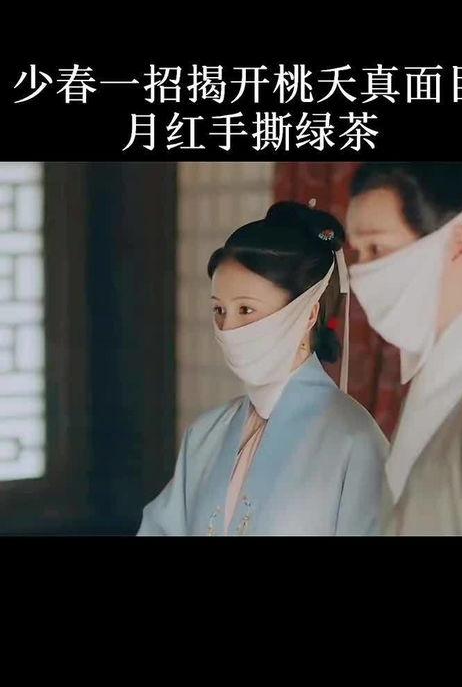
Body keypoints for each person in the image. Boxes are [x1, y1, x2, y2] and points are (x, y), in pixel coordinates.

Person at [138, 200, 388, 536]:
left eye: (246, 309)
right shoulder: (206, 434)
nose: (228, 328)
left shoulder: (354, 440)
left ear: (308, 313)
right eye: (219, 311)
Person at [347, 162, 462, 535]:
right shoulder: (439, 377)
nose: (361, 273)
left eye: (377, 248)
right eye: (358, 253)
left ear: (457, 247)